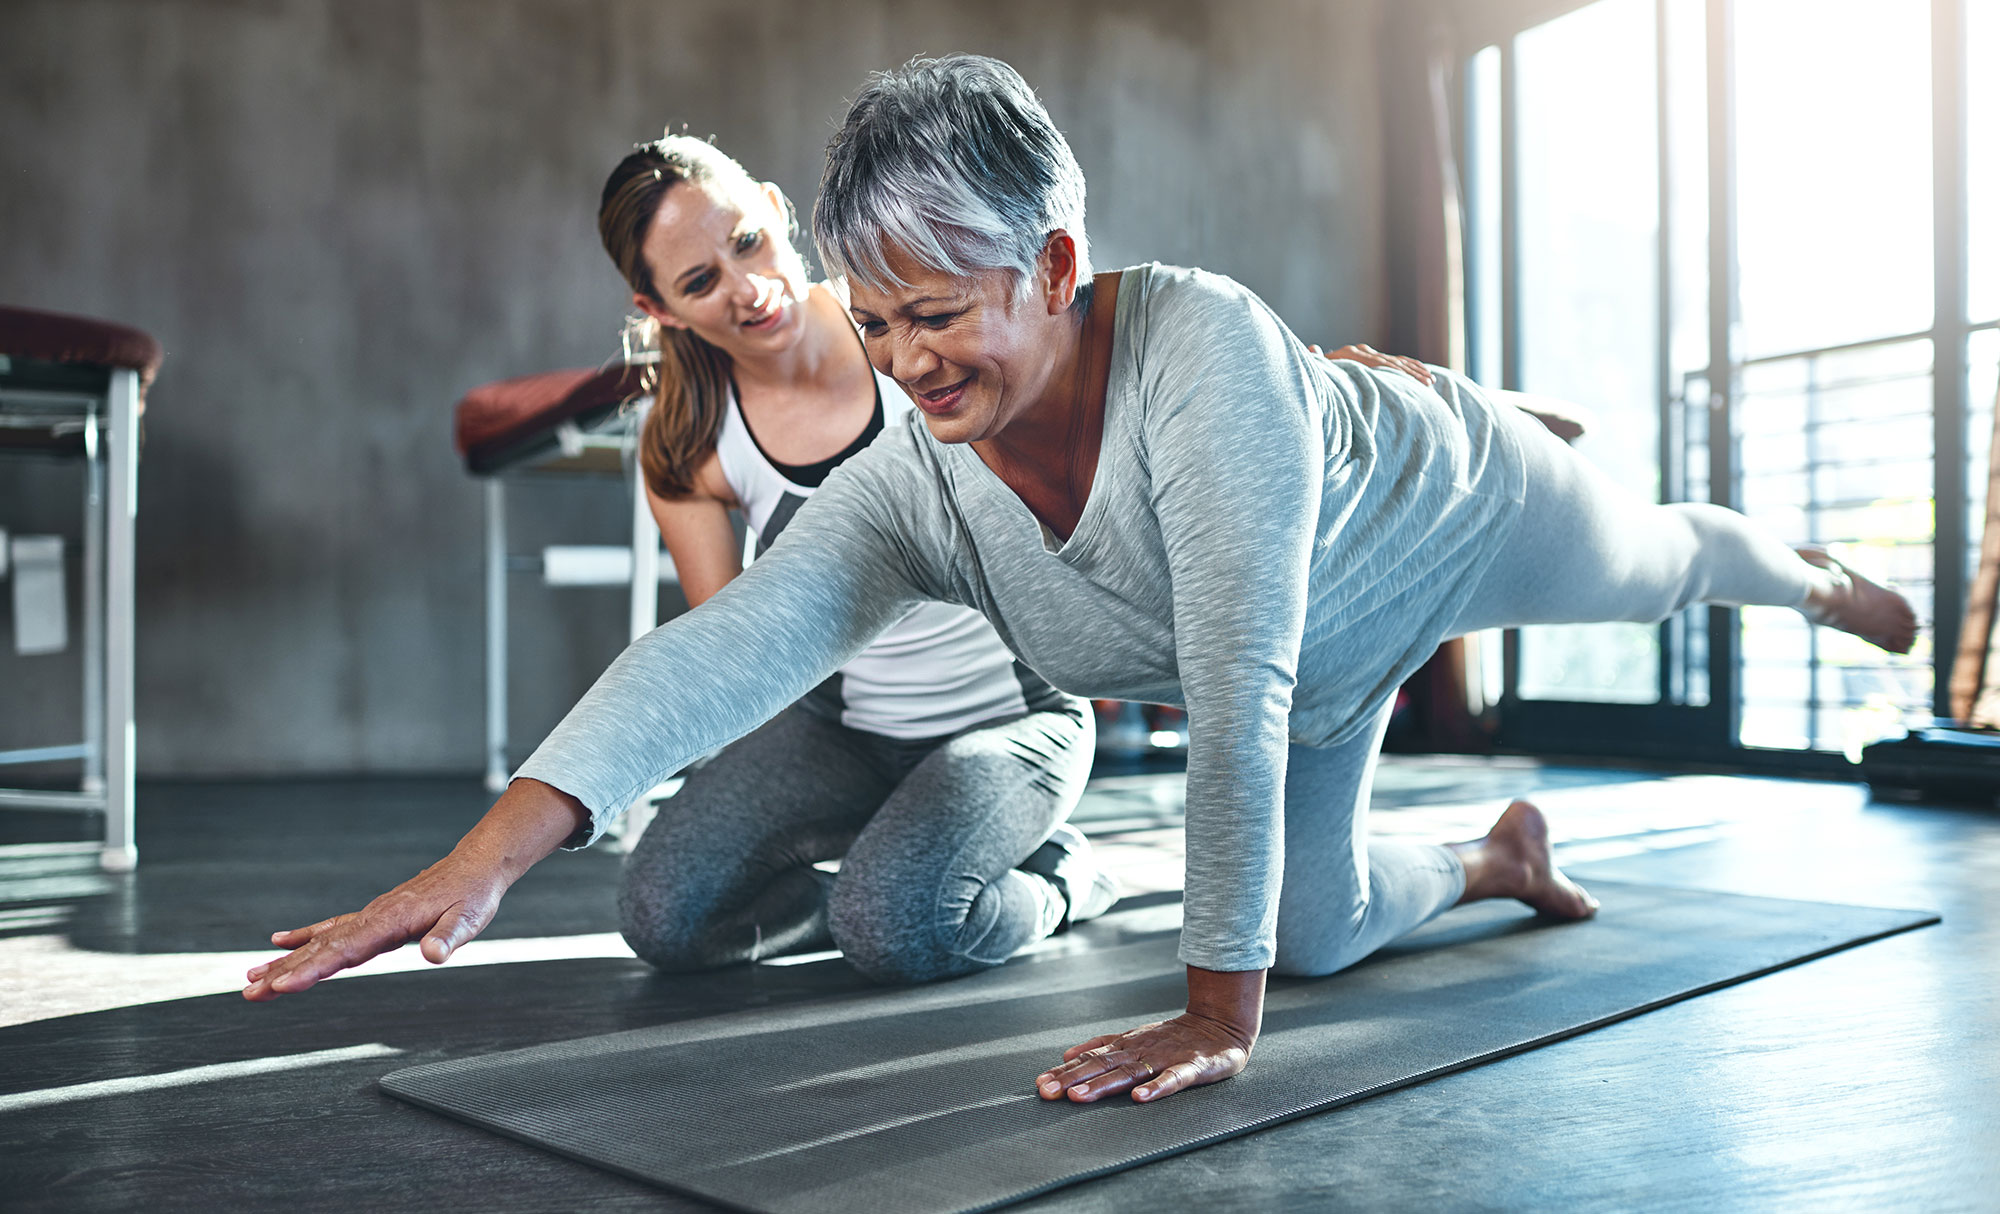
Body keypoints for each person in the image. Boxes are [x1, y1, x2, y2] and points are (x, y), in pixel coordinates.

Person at [247, 55, 1915, 1110]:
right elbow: (736, 640)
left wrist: (1209, 1011)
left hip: (1437, 518)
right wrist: (474, 865)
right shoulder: (915, 471)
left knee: (1651, 564)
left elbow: (1236, 676)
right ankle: (1499, 852)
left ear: (1052, 265)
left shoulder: (1202, 365)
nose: (909, 363)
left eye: (946, 314)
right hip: (1321, 665)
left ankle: (1808, 565)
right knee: (1320, 929)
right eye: (880, 323)